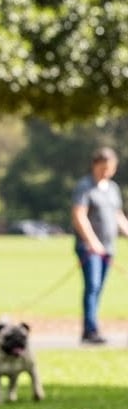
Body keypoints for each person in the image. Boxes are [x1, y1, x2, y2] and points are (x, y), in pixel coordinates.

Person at [70, 146, 128, 344]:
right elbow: (79, 215)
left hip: (108, 248)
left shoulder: (112, 188)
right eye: (103, 167)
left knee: (99, 288)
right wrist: (92, 242)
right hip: (89, 249)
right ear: (95, 165)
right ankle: (90, 330)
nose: (106, 172)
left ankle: (92, 325)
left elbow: (117, 216)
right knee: (92, 286)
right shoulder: (85, 186)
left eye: (110, 168)